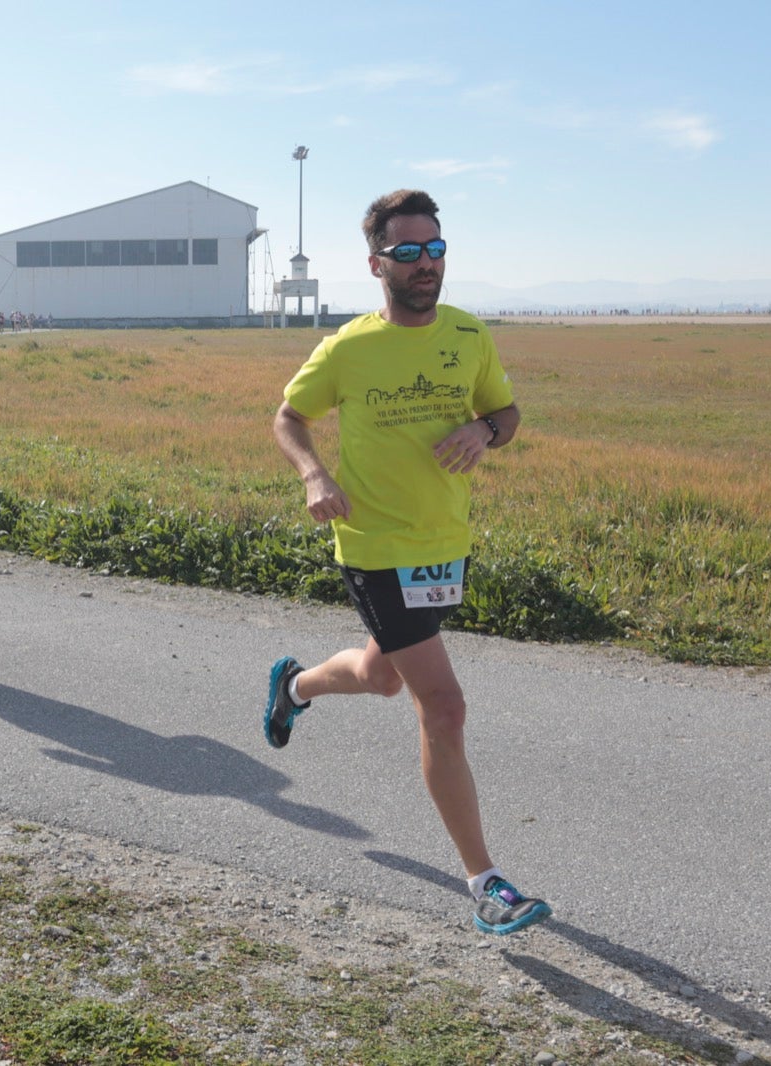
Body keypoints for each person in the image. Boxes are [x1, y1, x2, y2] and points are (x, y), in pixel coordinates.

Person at [265, 189, 547, 937]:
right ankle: (487, 885)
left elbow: (507, 413)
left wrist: (485, 431)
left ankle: (293, 685)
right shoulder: (348, 348)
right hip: (374, 545)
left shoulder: (469, 334)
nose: (427, 263)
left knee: (382, 676)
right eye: (409, 251)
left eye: (436, 249)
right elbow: (288, 416)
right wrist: (313, 475)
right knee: (443, 706)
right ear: (377, 264)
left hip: (443, 543)